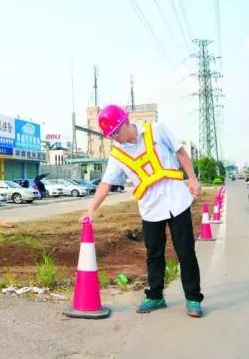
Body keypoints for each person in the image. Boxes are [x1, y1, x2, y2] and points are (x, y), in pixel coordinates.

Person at [86, 104, 204, 318]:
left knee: (185, 252)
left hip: (177, 201)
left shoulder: (157, 130)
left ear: (125, 122)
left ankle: (193, 299)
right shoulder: (117, 155)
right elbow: (106, 183)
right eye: (111, 135)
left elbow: (180, 153)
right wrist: (92, 208)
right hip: (150, 208)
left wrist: (193, 179)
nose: (115, 138)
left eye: (115, 132)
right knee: (154, 254)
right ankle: (156, 295)